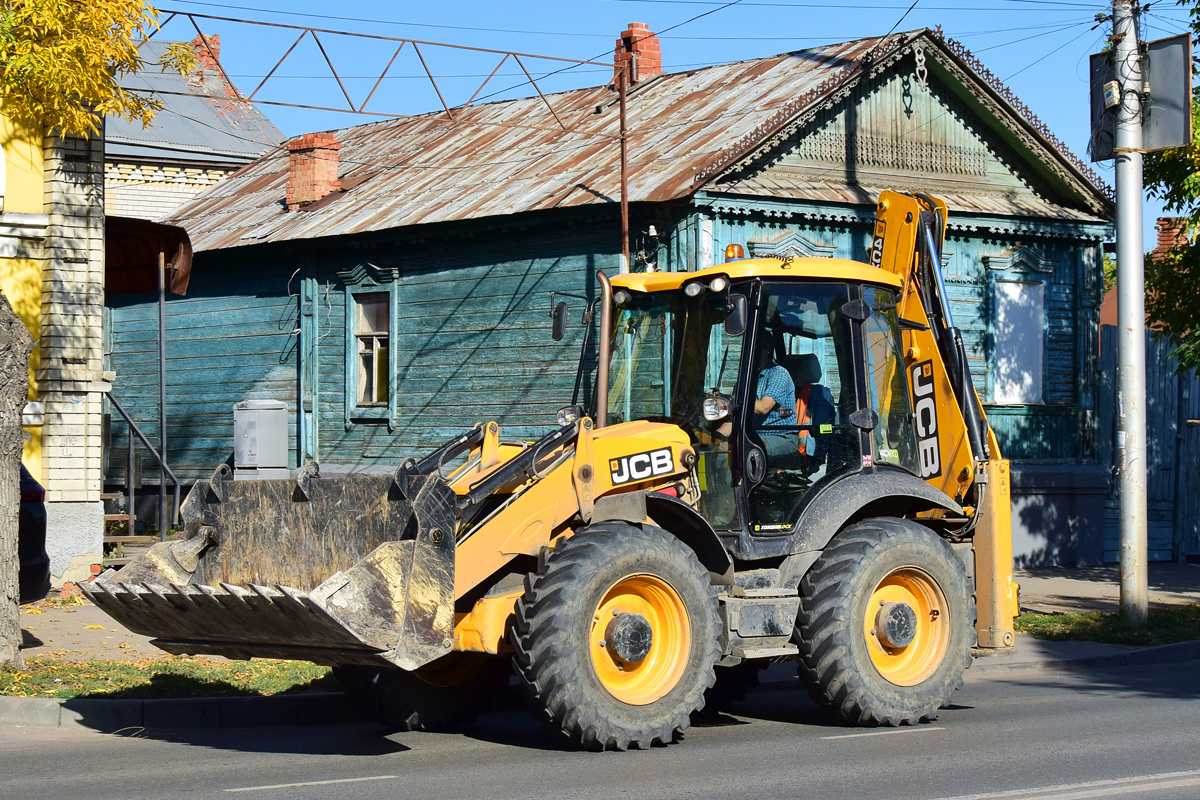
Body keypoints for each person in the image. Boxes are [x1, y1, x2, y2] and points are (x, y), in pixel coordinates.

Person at [753, 334, 797, 457]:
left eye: (755, 347)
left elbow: (763, 407)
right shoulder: (747, 378)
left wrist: (734, 401)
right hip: (755, 434)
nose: (751, 351)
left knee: (744, 449)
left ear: (767, 350)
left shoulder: (778, 374)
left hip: (781, 436)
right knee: (722, 448)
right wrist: (717, 438)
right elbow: (737, 412)